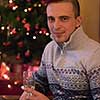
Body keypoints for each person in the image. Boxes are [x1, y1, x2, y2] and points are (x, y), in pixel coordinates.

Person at [19, 0, 100, 100]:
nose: (56, 26)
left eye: (64, 18)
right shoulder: (50, 49)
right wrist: (30, 93)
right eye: (51, 19)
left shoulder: (95, 54)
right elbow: (40, 82)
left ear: (78, 21)